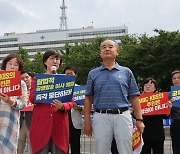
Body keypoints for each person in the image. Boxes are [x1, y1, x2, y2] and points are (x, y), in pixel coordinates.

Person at [84, 39, 145, 154]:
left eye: (110, 46)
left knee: (125, 149)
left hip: (123, 116)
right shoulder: (93, 73)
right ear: (100, 53)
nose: (107, 49)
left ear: (117, 51)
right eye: (104, 47)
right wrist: (87, 122)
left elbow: (134, 97)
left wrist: (139, 119)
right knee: (101, 150)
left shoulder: (126, 72)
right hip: (101, 116)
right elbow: (88, 98)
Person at [29, 49, 75, 154]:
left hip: (59, 125)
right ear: (45, 61)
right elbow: (31, 98)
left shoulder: (65, 79)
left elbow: (71, 102)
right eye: (52, 58)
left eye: (57, 59)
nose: (55, 61)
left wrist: (63, 106)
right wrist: (44, 92)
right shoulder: (38, 79)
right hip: (41, 125)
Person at [0, 53, 27, 154]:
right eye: (10, 63)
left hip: (9, 122)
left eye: (15, 65)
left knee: (7, 150)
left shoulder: (21, 83)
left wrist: (11, 101)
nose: (12, 66)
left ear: (19, 68)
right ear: (5, 65)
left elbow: (23, 103)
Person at [140, 77, 167, 154]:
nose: (147, 86)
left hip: (157, 133)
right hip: (144, 133)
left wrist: (169, 107)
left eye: (150, 84)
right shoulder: (138, 99)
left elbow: (165, 116)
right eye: (145, 85)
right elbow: (135, 116)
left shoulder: (161, 98)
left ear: (155, 87)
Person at [63, 66, 83, 154]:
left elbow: (86, 107)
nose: (69, 76)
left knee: (76, 148)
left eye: (71, 74)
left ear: (75, 75)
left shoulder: (80, 89)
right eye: (67, 74)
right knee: (63, 148)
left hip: (74, 121)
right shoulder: (60, 89)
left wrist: (78, 107)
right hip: (62, 120)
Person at [17, 70, 33, 154]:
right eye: (22, 78)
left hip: (32, 121)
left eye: (27, 77)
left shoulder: (35, 90)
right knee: (19, 144)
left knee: (32, 144)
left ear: (30, 78)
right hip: (20, 120)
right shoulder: (17, 91)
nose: (25, 79)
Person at [167, 70, 180, 154]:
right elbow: (166, 114)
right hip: (176, 124)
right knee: (177, 149)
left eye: (179, 78)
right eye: (174, 78)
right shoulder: (169, 95)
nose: (176, 80)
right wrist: (168, 107)